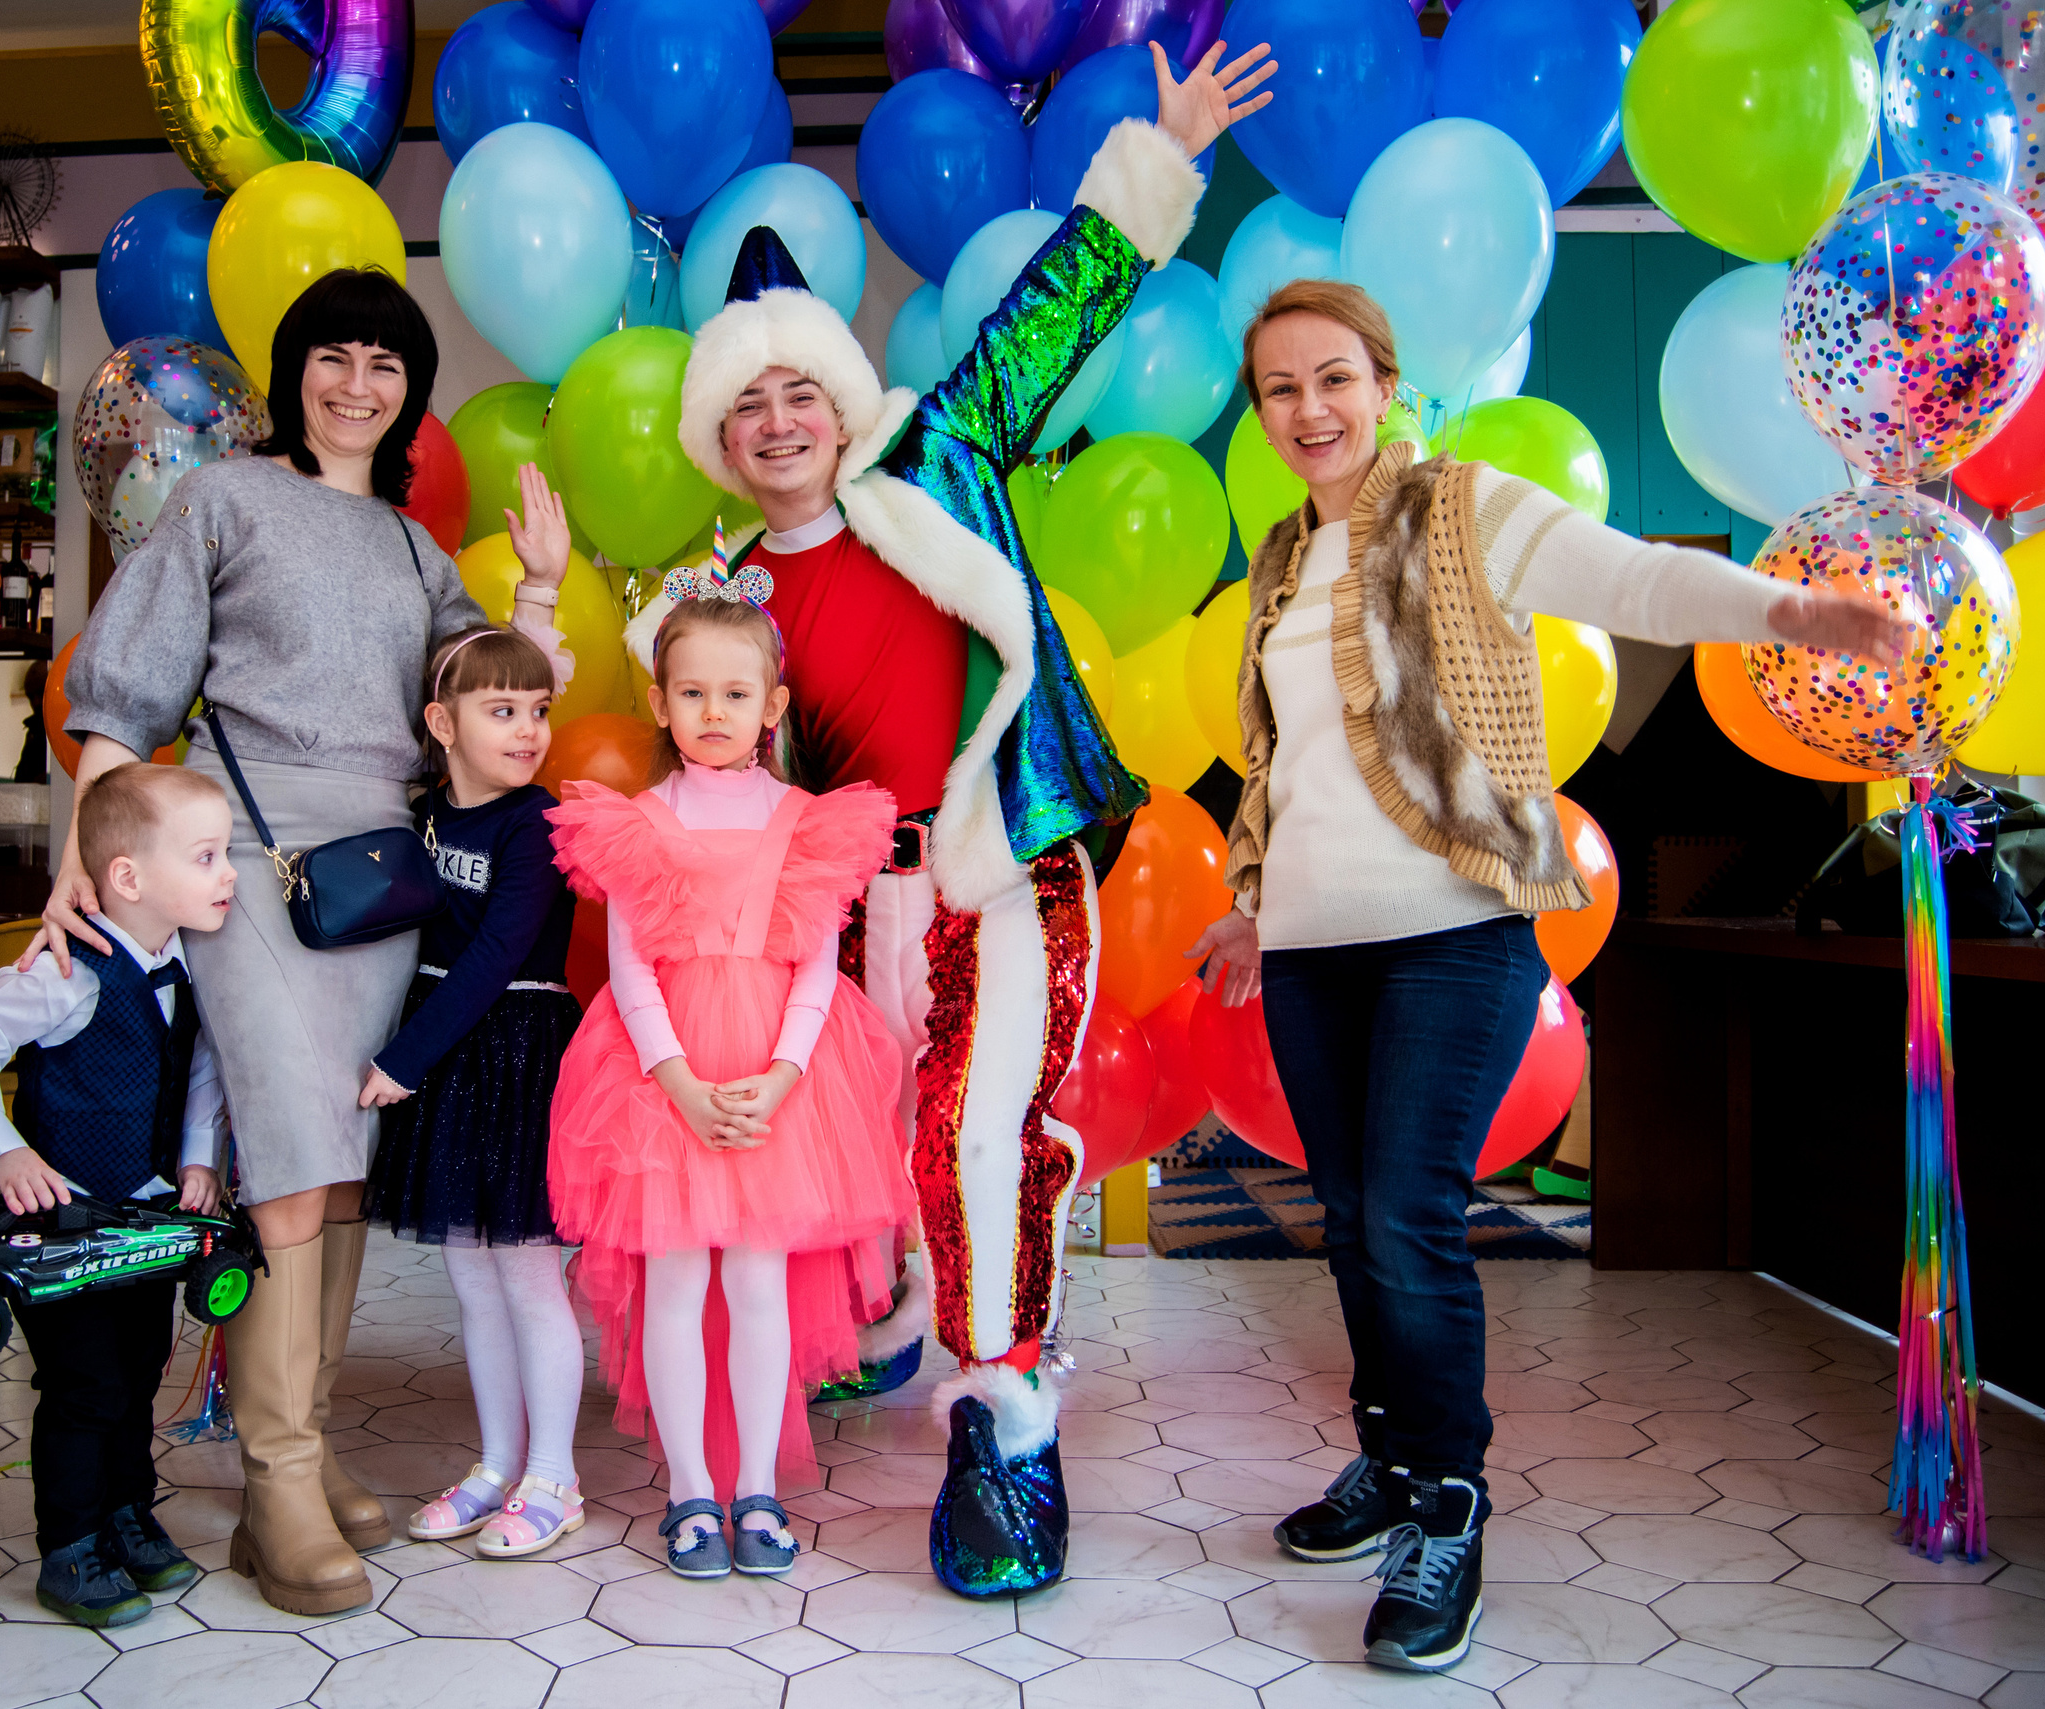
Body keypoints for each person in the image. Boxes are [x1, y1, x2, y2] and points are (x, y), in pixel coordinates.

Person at [1183, 280, 1906, 1674]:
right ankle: (1389, 1463)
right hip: (1313, 954)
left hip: (1458, 930)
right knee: (1345, 1217)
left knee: (1407, 1212)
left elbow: (1634, 577)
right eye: (1278, 389)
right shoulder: (1277, 557)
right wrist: (1250, 905)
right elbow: (1288, 769)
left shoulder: (1461, 509)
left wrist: (1794, 613)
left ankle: (1448, 1502)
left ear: (1383, 384)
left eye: (1333, 378)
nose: (1308, 410)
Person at [651, 40, 1274, 1594]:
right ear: (719, 437)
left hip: (995, 868)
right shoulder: (722, 600)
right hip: (851, 910)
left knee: (976, 1130)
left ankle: (1006, 1431)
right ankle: (898, 1328)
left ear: (843, 400)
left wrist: (1162, 158)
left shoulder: (935, 455)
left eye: (804, 387)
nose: (782, 419)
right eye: (751, 403)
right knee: (871, 1148)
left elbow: (1049, 316)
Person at [37, 268, 573, 1617]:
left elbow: (493, 703)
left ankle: (309, 1442)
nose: (357, 381)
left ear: (409, 391)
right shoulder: (222, 499)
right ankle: (273, 1480)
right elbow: (129, 682)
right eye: (333, 355)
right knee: (282, 1163)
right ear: (296, 375)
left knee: (334, 1164)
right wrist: (77, 868)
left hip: (376, 890)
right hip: (243, 867)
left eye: (385, 361)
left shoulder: (416, 552)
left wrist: (550, 593)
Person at [546, 589, 914, 1580]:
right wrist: (681, 1086)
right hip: (664, 1077)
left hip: (779, 1076)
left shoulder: (806, 821)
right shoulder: (637, 821)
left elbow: (816, 966)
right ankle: (690, 1492)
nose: (714, 709)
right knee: (675, 1279)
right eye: (693, 690)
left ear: (773, 703)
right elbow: (629, 971)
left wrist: (783, 1075)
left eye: (735, 691)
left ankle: (756, 1484)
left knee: (757, 1280)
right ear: (662, 703)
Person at [0, 762, 237, 1628]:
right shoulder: (68, 970)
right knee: (83, 1384)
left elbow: (201, 1067)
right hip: (58, 1231)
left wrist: (197, 1156)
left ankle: (127, 1516)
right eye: (208, 856)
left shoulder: (186, 963)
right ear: (130, 877)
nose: (228, 874)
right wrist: (7, 1150)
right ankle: (69, 1545)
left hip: (144, 1219)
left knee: (138, 1373)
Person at [359, 598, 587, 1560]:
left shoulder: (538, 825)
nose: (529, 729)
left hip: (514, 1050)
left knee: (531, 1278)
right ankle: (496, 1465)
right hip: (453, 1056)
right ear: (442, 723)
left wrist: (401, 1060)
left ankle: (556, 1478)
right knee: (472, 1278)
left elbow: (496, 954)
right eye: (503, 711)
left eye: (538, 709)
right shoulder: (424, 815)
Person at [14, 660, 51, 784]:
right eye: (30, 697)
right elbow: (21, 779)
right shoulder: (34, 730)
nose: (36, 702)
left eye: (41, 693)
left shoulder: (67, 729)